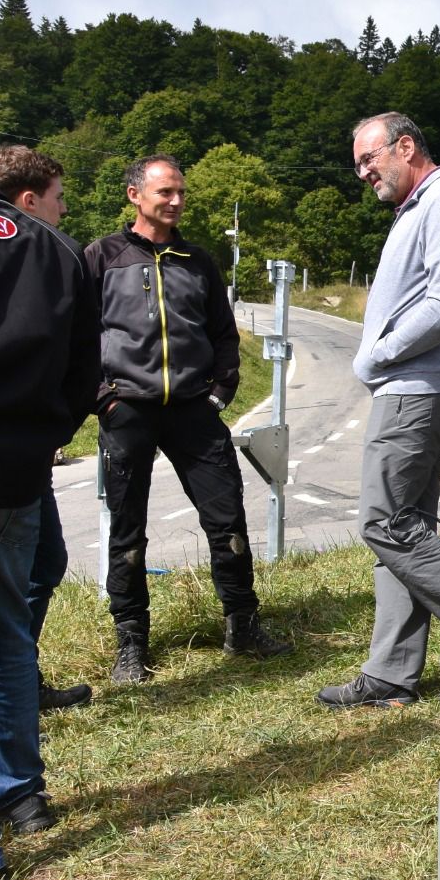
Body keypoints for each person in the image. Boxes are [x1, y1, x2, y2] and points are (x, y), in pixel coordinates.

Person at [318, 113, 440, 707]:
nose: (363, 173)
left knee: (385, 523)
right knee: (403, 527)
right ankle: (391, 672)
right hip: (415, 385)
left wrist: (374, 355)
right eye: (358, 164)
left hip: (418, 387)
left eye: (369, 159)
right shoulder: (424, 203)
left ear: (405, 147)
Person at [86, 156, 291, 682]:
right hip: (127, 410)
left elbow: (224, 333)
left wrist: (220, 394)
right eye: (165, 192)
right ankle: (131, 643)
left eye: (180, 192)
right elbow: (77, 335)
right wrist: (102, 397)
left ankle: (243, 625)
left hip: (194, 411)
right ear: (135, 195)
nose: (176, 201)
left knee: (227, 519)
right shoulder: (101, 257)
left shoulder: (198, 261)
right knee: (127, 530)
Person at [0, 116, 100, 880]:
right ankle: (20, 795)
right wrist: (41, 437)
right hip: (16, 471)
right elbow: (84, 368)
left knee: (0, 634)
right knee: (3, 633)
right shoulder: (55, 247)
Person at [0, 146, 90, 709]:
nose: (64, 209)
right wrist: (52, 428)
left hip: (17, 449)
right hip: (14, 454)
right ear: (29, 200)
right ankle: (9, 688)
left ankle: (17, 682)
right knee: (21, 576)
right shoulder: (49, 258)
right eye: (58, 197)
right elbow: (81, 361)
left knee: (40, 565)